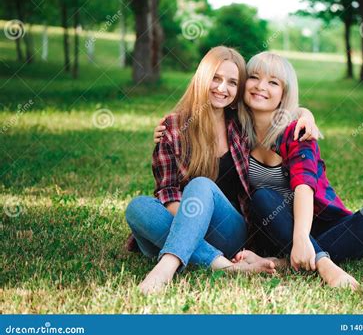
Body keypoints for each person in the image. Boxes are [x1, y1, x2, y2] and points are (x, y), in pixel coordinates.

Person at [125, 46, 320, 294]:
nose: (221, 88)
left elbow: (285, 107)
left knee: (201, 185)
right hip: (184, 221)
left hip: (231, 231)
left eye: (231, 82)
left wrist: (307, 115)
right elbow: (167, 191)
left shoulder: (241, 123)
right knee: (138, 208)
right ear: (202, 78)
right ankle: (222, 265)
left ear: (238, 89)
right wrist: (190, 226)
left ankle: (166, 265)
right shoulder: (174, 128)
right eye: (215, 78)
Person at [233, 52, 363, 290]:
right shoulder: (236, 132)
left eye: (273, 82)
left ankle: (285, 262)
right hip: (273, 227)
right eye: (254, 77)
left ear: (284, 94)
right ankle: (324, 263)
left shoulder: (298, 132)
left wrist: (301, 238)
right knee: (264, 197)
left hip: (317, 223)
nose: (260, 86)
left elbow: (304, 186)